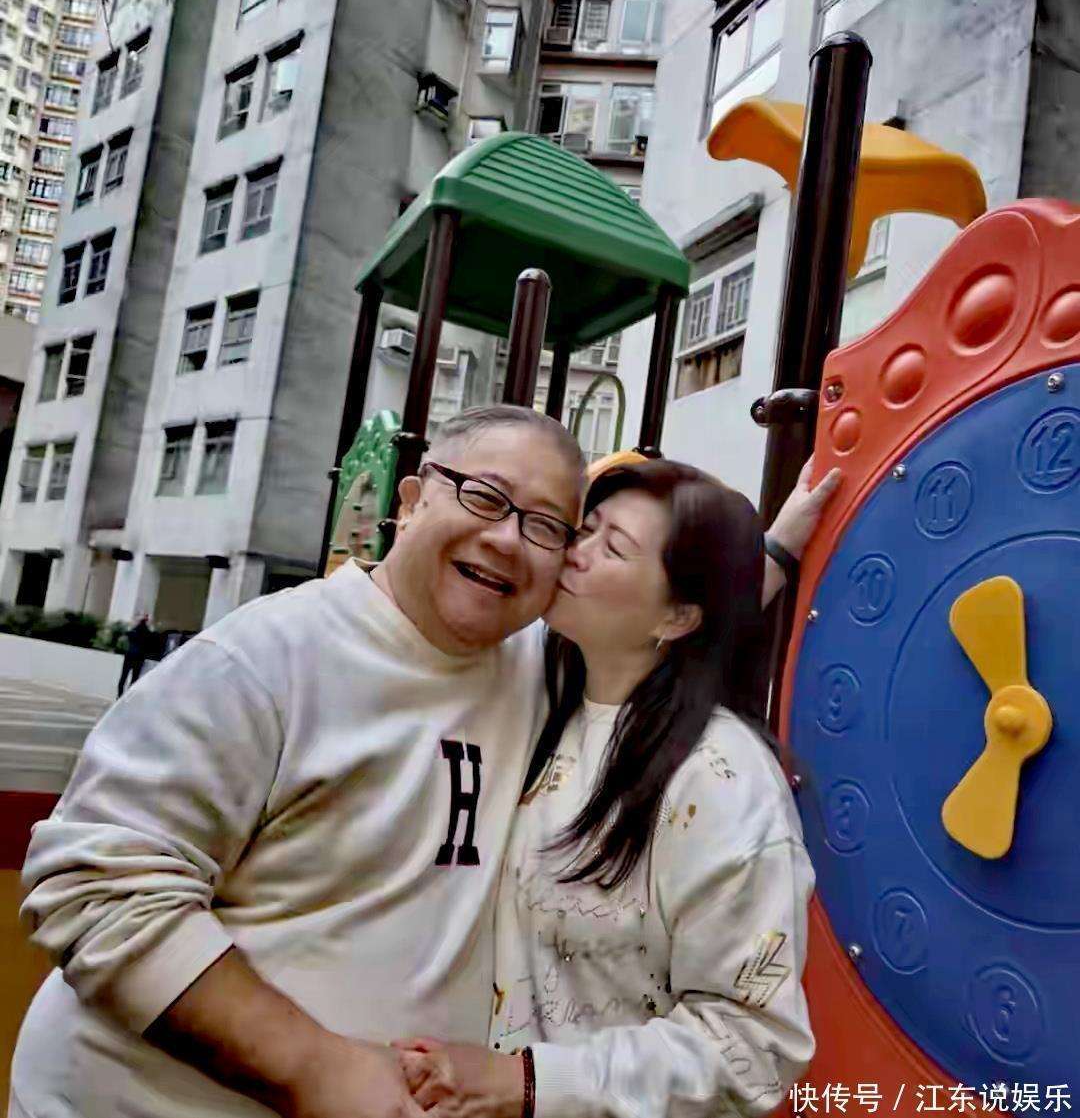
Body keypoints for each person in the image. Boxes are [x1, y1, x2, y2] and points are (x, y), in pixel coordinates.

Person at [11, 405, 834, 1118]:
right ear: (411, 500)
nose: (507, 538)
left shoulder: (539, 671)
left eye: (549, 526)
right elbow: (96, 882)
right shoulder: (268, 658)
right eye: (483, 496)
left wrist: (776, 546)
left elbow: (662, 621)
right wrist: (314, 1066)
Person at [397, 458, 825, 1118]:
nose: (575, 552)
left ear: (677, 617)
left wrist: (526, 1082)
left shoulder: (720, 781)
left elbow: (753, 1044)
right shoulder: (539, 689)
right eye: (585, 528)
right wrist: (777, 546)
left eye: (613, 546)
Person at [117, 613, 154, 695]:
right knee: (134, 680)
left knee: (123, 677)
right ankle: (128, 697)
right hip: (139, 658)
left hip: (129, 656)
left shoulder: (133, 631)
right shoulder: (148, 633)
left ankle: (119, 696)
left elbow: (126, 636)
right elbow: (150, 645)